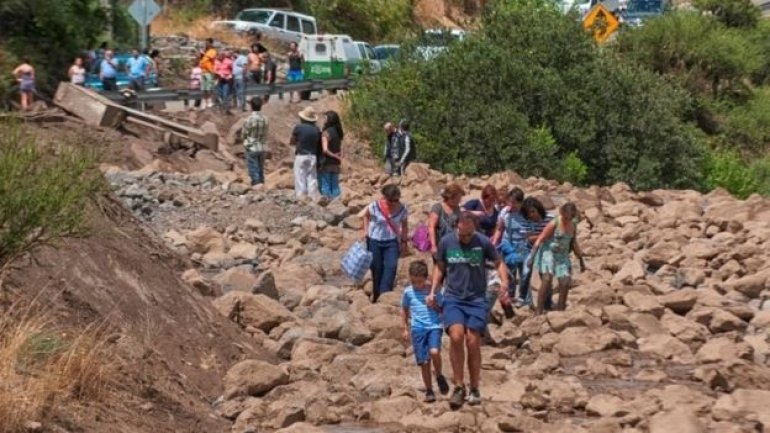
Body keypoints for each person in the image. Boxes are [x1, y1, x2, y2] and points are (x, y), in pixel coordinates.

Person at [427, 212, 509, 409]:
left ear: (474, 229)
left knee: (473, 341)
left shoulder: (482, 242)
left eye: (468, 235)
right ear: (457, 228)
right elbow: (440, 267)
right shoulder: (447, 242)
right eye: (462, 235)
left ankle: (474, 387)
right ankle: (458, 386)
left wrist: (505, 281)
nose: (465, 238)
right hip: (453, 297)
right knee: (456, 337)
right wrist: (433, 290)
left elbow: (498, 262)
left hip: (476, 298)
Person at [401, 260, 450, 403]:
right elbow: (404, 309)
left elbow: (443, 309)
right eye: (414, 281)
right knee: (424, 361)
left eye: (420, 282)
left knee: (434, 351)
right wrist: (404, 328)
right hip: (417, 328)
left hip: (434, 326)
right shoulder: (408, 292)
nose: (417, 285)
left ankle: (439, 374)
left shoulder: (433, 290)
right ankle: (429, 390)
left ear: (426, 278)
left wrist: (434, 304)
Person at [529, 202, 586, 315]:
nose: (566, 220)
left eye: (569, 218)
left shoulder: (573, 225)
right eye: (565, 217)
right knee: (547, 278)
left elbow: (573, 242)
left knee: (565, 282)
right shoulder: (555, 222)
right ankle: (538, 312)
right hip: (548, 252)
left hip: (562, 256)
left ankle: (560, 312)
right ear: (562, 213)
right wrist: (532, 257)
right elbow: (540, 238)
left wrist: (581, 262)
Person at [361, 184, 409, 303]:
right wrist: (366, 231)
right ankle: (377, 294)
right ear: (385, 198)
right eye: (391, 200)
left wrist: (404, 241)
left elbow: (405, 225)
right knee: (376, 268)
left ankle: (385, 296)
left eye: (396, 200)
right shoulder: (375, 206)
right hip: (374, 240)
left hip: (392, 241)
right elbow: (365, 216)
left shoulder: (402, 209)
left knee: (391, 267)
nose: (394, 203)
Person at [492, 188, 528, 301]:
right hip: (508, 245)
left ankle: (524, 298)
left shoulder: (526, 213)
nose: (512, 204)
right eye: (510, 201)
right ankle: (510, 297)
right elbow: (499, 228)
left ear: (521, 202)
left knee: (524, 273)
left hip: (523, 246)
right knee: (509, 273)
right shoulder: (505, 212)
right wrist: (494, 243)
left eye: (515, 202)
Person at [519, 197, 552, 308]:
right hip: (529, 248)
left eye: (533, 211)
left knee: (546, 276)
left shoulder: (550, 218)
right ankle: (526, 301)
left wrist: (541, 237)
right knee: (525, 273)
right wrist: (545, 235)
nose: (531, 215)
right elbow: (529, 238)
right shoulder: (525, 221)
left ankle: (547, 303)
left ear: (538, 209)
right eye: (529, 213)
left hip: (546, 249)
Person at [290, 107, 321, 199]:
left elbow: (292, 141)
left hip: (301, 154)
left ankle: (301, 196)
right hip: (313, 155)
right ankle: (313, 197)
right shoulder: (317, 129)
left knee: (300, 176)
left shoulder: (298, 128)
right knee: (312, 177)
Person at [428, 183, 465, 257]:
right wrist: (433, 245)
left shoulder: (457, 209)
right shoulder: (437, 208)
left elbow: (460, 226)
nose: (460, 200)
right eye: (458, 198)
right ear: (450, 197)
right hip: (440, 244)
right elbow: (431, 227)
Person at [242, 98, 269, 185]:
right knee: (260, 168)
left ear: (251, 106)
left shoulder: (249, 119)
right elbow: (266, 132)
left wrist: (245, 140)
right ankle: (262, 184)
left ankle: (256, 185)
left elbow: (244, 133)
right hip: (261, 146)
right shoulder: (265, 119)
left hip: (251, 146)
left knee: (253, 169)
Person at [318, 110, 344, 199]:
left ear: (329, 120)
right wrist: (338, 157)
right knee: (335, 186)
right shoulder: (338, 133)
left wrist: (334, 155)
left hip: (327, 162)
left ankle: (328, 208)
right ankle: (337, 205)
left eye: (325, 118)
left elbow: (325, 150)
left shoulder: (326, 133)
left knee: (326, 186)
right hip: (336, 163)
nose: (323, 120)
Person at [200, 38, 217, 109]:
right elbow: (202, 59)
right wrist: (202, 54)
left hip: (209, 71)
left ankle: (210, 102)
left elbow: (210, 58)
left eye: (207, 43)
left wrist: (204, 53)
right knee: (204, 88)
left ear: (211, 43)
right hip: (203, 71)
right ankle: (205, 102)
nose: (206, 44)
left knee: (209, 88)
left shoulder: (213, 51)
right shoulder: (206, 51)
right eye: (205, 43)